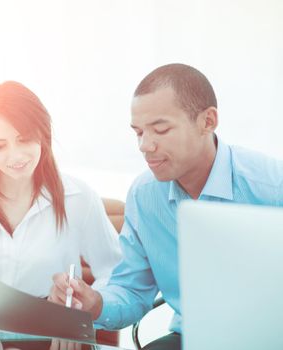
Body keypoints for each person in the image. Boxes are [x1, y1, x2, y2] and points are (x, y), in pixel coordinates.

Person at [49, 63, 283, 350]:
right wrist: (95, 303)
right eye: (138, 133)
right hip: (190, 338)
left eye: (160, 130)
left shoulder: (271, 186)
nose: (145, 146)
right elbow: (132, 289)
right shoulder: (145, 196)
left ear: (208, 121)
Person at [0, 81, 122, 298]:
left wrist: (83, 301)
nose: (16, 156)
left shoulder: (79, 199)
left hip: (48, 329)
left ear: (43, 133)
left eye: (25, 140)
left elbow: (118, 273)